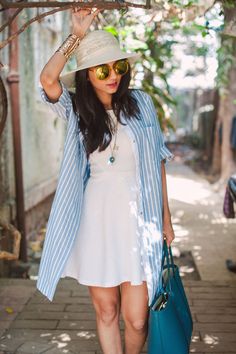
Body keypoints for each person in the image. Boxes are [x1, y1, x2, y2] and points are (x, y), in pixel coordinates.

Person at [37, 6, 175, 354]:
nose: (113, 75)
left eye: (119, 66)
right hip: (96, 220)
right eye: (102, 69)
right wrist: (76, 37)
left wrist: (167, 219)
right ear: (86, 75)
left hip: (139, 218)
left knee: (139, 318)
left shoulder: (141, 103)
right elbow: (48, 80)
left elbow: (158, 160)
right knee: (107, 310)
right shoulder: (76, 111)